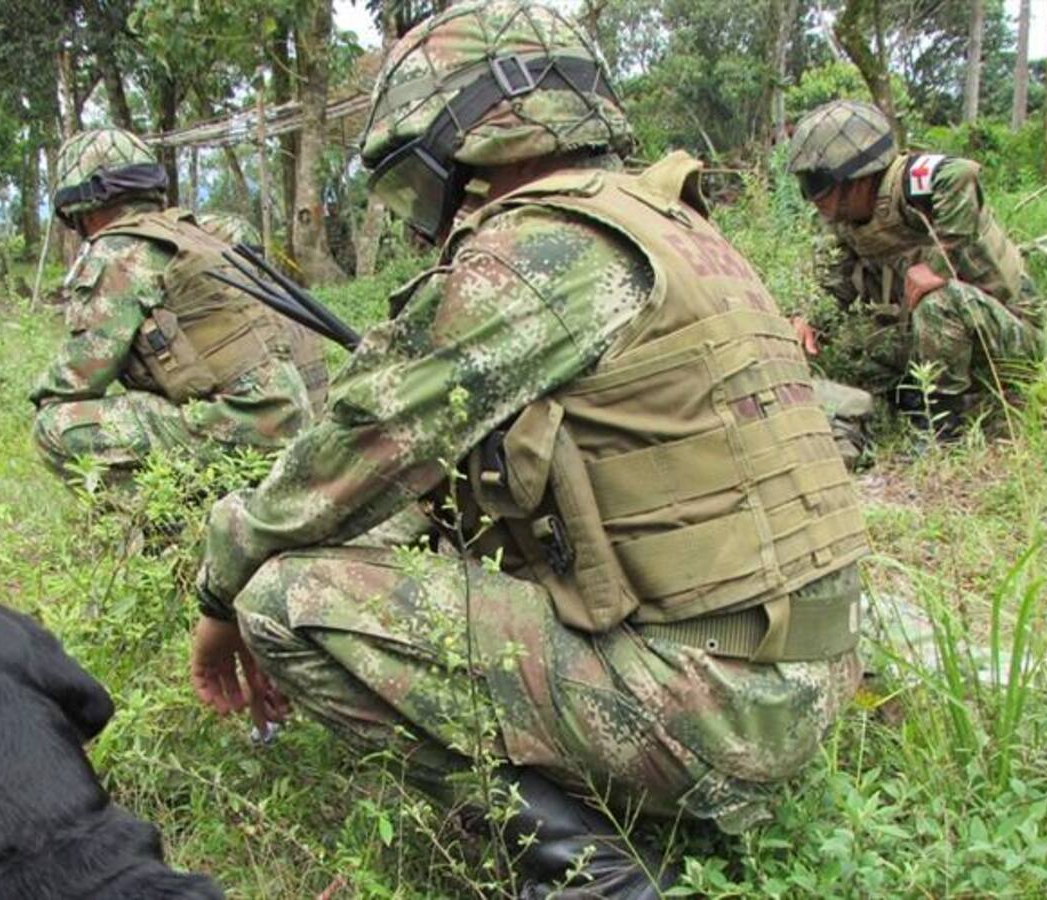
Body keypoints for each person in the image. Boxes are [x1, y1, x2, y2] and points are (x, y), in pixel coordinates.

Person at [189, 3, 868, 896]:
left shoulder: (535, 251)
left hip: (718, 709)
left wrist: (217, 592)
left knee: (285, 600)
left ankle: (594, 875)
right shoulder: (677, 226)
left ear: (466, 134)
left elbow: (342, 460)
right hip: (811, 676)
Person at [30, 128, 329, 486]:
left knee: (53, 426)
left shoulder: (120, 251)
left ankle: (161, 525)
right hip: (306, 421)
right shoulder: (205, 234)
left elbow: (75, 380)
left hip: (251, 427)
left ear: (80, 210)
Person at [787, 100, 1044, 435]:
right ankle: (902, 402)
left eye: (817, 185)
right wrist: (809, 319)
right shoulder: (847, 221)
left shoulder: (908, 181)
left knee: (938, 301)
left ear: (857, 177)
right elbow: (838, 283)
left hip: (1010, 336)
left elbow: (960, 172)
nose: (812, 198)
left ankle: (941, 428)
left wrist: (941, 263)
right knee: (853, 339)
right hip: (942, 338)